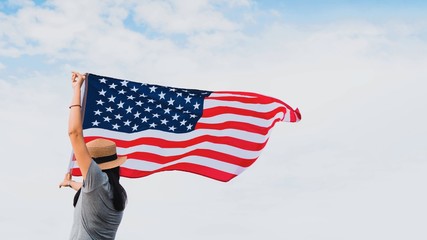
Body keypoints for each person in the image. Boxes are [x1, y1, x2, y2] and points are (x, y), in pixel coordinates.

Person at [59, 72, 128, 240]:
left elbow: (74, 133)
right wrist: (70, 183)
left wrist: (77, 90)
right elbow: (84, 189)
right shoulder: (118, 193)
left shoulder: (96, 181)